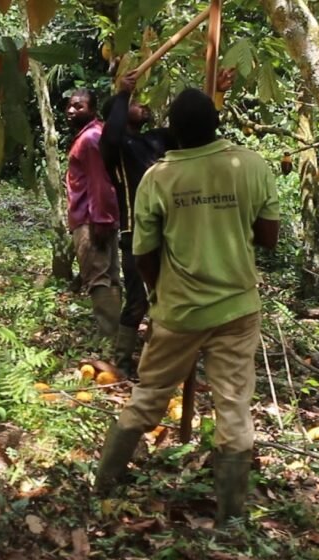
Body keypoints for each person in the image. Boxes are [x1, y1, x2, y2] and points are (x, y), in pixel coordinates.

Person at [94, 88, 280, 529]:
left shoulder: (157, 178)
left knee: (147, 399)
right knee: (234, 408)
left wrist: (161, 293)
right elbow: (269, 238)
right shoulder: (251, 165)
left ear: (171, 132)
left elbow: (143, 255)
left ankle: (103, 484)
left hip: (178, 314)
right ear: (218, 124)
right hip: (237, 309)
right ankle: (231, 517)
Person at [100, 69, 238, 376]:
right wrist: (123, 93)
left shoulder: (158, 140)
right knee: (138, 301)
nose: (142, 104)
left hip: (173, 233)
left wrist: (215, 94)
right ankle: (122, 362)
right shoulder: (116, 149)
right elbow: (111, 134)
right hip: (135, 234)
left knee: (171, 302)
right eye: (134, 103)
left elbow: (197, 131)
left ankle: (160, 364)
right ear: (119, 116)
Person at [65, 88, 121, 342]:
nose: (71, 110)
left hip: (91, 220)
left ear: (93, 110)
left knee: (99, 279)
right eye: (70, 106)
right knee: (109, 277)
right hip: (96, 218)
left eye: (79, 106)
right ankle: (118, 337)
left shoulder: (90, 139)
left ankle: (111, 341)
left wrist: (102, 220)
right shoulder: (93, 135)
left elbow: (101, 182)